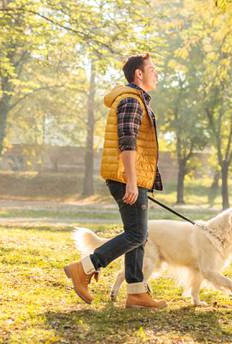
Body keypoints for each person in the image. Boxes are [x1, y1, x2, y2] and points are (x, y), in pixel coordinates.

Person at [63, 53, 167, 309]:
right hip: (126, 178)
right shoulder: (131, 100)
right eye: (152, 69)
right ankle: (84, 267)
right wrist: (132, 181)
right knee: (136, 234)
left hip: (134, 178)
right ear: (138, 74)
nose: (156, 73)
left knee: (139, 236)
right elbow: (127, 141)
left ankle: (136, 293)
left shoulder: (137, 99)